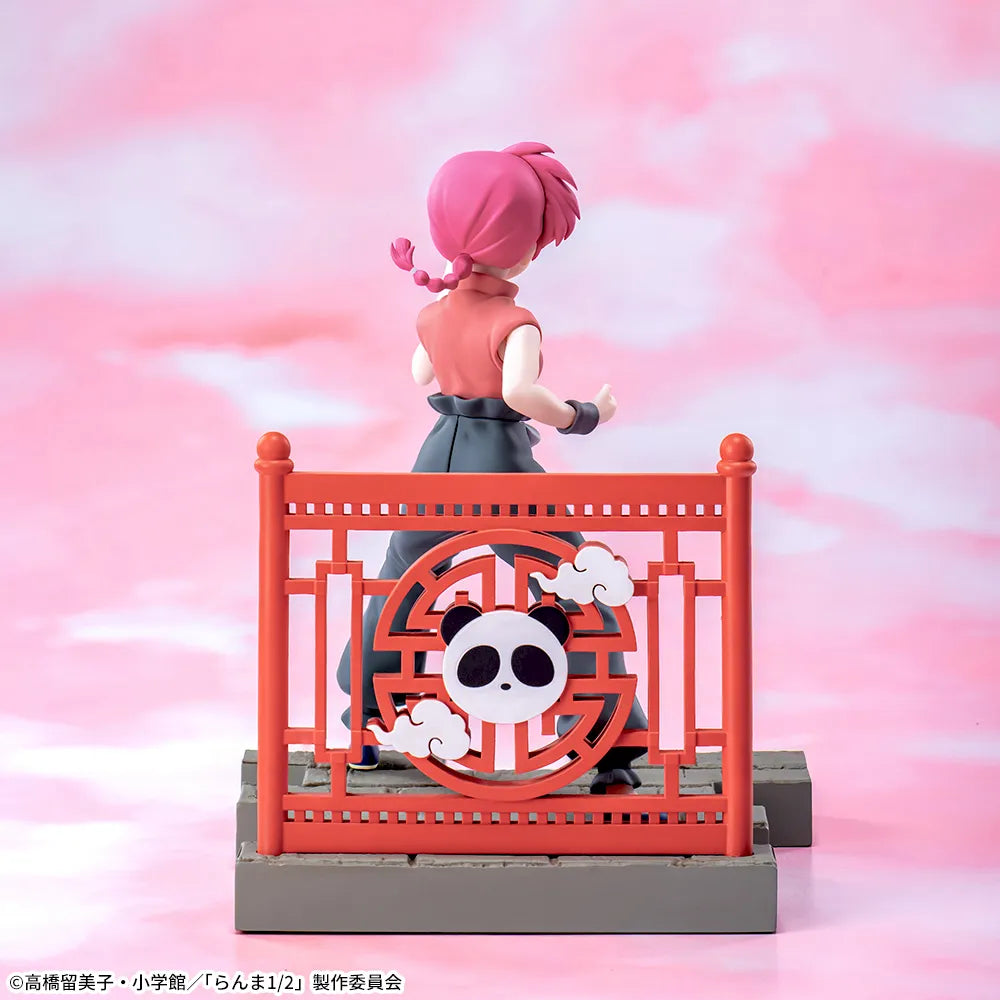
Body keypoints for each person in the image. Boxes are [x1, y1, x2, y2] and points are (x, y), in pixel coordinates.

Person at [337, 142, 647, 793]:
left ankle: (365, 717)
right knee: (573, 579)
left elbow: (421, 374)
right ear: (522, 245)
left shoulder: (432, 314)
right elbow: (519, 395)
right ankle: (608, 738)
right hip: (498, 464)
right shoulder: (516, 323)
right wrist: (584, 415)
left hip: (437, 458)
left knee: (401, 583)